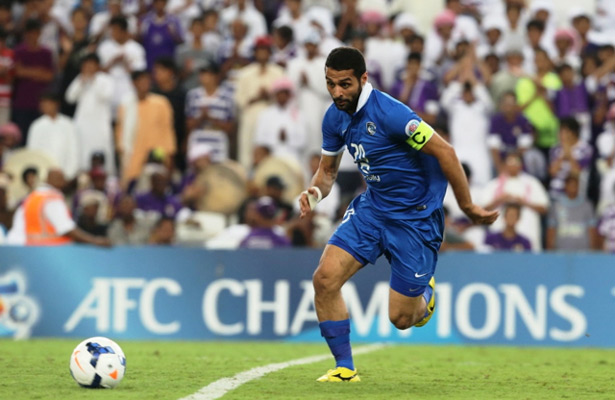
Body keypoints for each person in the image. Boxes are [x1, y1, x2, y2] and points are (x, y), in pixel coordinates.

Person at [298, 47, 498, 382]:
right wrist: (315, 193)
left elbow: (446, 152)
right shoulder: (334, 117)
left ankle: (425, 296)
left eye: (345, 84)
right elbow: (328, 172)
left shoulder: (392, 114)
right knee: (325, 279)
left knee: (402, 319)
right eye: (331, 84)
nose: (337, 92)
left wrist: (467, 206)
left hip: (414, 219)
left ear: (363, 79)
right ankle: (344, 368)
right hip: (373, 209)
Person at [6, 168, 111, 246]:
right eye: (63, 179)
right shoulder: (52, 198)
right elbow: (66, 229)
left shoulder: (32, 197)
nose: (65, 182)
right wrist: (95, 241)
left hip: (29, 248)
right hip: (52, 251)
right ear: (59, 181)